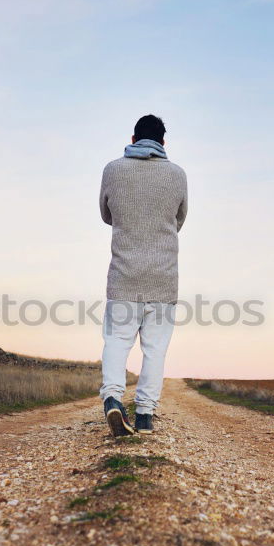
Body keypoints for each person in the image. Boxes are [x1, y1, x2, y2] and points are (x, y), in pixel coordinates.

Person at [98, 114, 188, 436]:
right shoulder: (177, 175)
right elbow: (179, 219)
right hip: (163, 279)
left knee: (117, 341)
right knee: (155, 350)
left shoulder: (113, 169)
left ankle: (112, 398)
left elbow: (106, 214)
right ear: (163, 144)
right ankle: (146, 415)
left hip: (123, 275)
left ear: (133, 139)